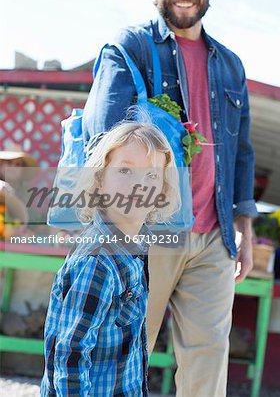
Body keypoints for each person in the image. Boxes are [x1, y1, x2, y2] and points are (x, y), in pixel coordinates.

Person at [82, 0, 258, 395]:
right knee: (124, 353)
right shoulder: (131, 47)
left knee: (207, 363)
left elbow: (241, 152)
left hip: (213, 236)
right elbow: (104, 140)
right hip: (147, 232)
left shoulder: (230, 65)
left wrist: (244, 226)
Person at [41, 120, 181, 397]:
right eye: (125, 170)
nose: (138, 184)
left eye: (152, 175)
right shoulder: (98, 262)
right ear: (99, 178)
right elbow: (70, 355)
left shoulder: (135, 248)